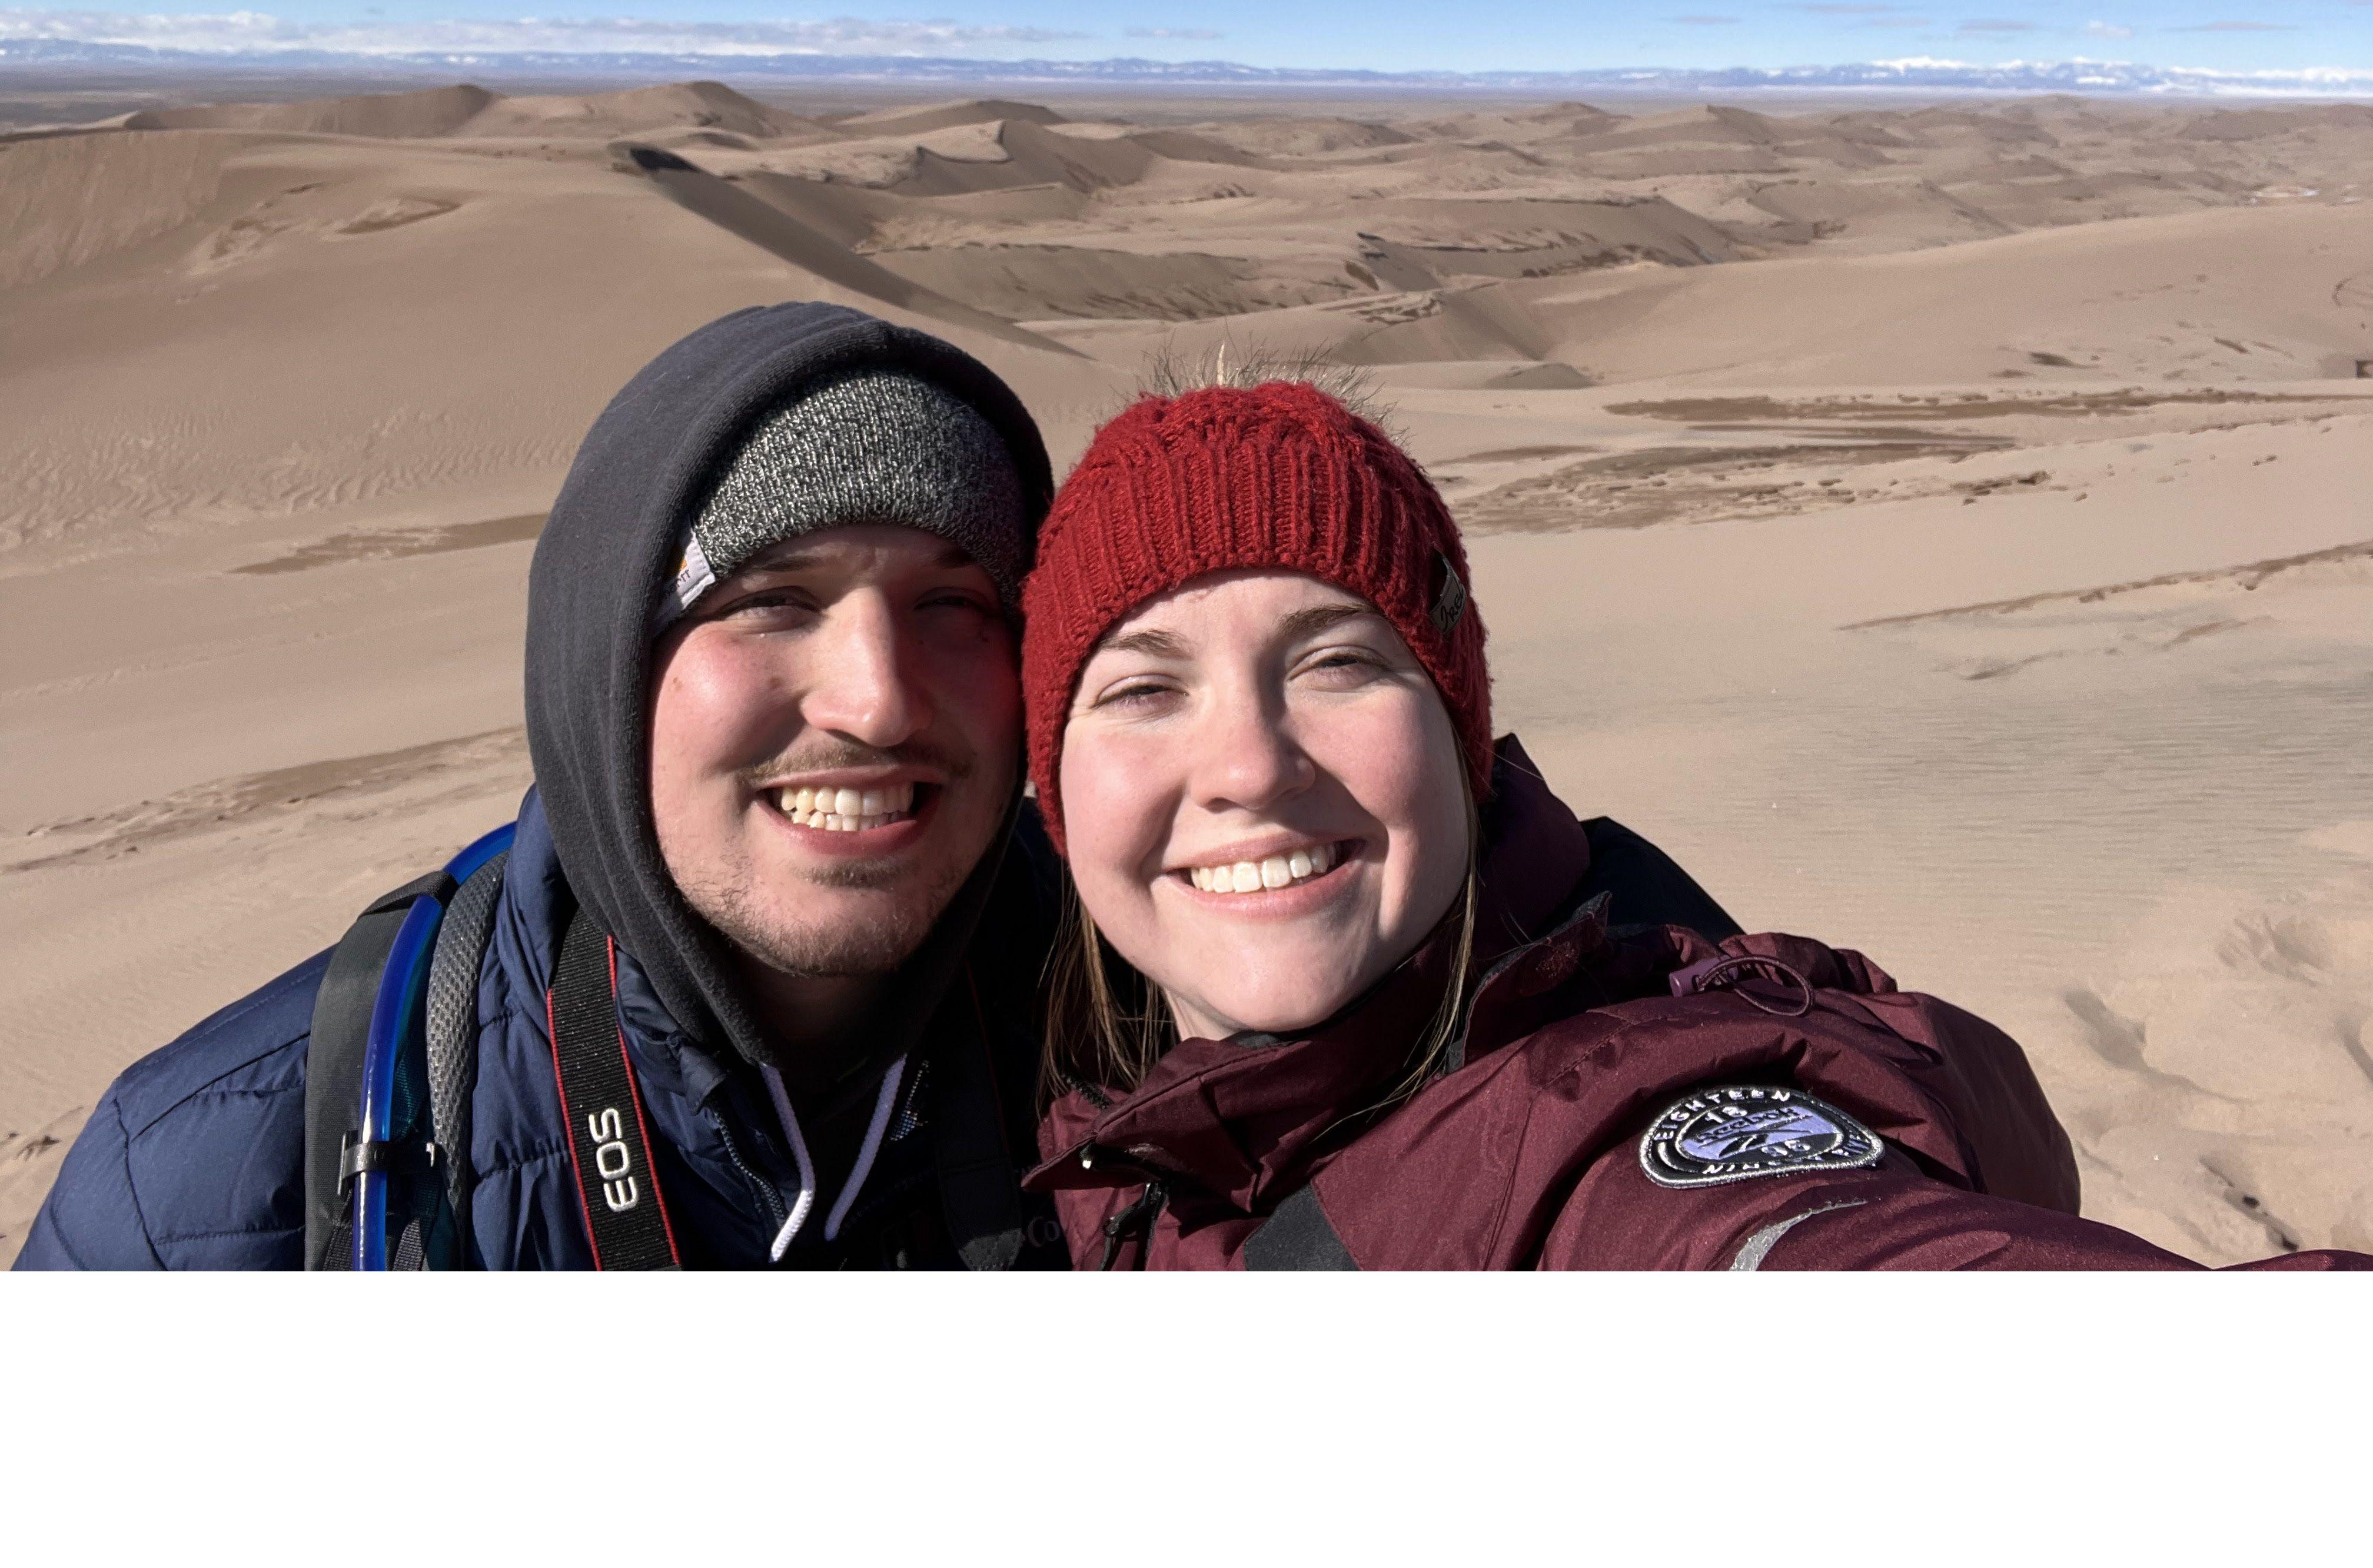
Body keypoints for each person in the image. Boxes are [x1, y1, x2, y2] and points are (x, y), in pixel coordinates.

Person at [1018, 379, 2370, 1270]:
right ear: (1055, 796)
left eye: (1339, 661)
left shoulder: (1627, 1137)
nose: (1249, 762)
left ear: (1459, 736)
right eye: (1144, 689)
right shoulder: (1070, 1098)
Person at [20, 301, 1072, 1270]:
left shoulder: (1156, 1018)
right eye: (775, 600)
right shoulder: (199, 1191)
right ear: (602, 667)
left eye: (955, 602)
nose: (880, 703)